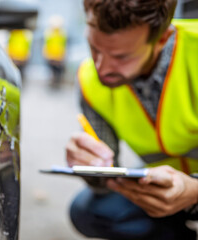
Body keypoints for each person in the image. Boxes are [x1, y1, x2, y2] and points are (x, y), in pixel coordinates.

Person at [66, 0, 198, 239]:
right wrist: (89, 166)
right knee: (89, 211)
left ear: (162, 39)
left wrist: (194, 190)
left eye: (121, 56)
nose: (101, 67)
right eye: (94, 48)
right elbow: (104, 182)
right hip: (165, 192)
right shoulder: (90, 80)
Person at [43, 15, 68, 87]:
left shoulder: (61, 33)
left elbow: (63, 45)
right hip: (53, 56)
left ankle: (56, 82)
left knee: (57, 71)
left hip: (57, 56)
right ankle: (54, 82)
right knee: (53, 71)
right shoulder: (52, 33)